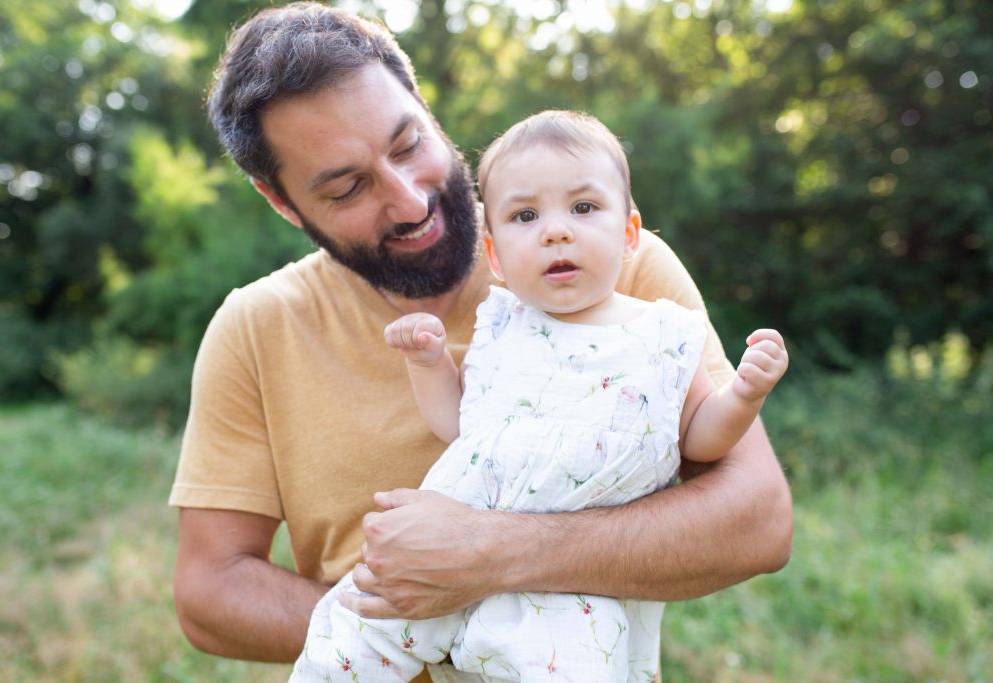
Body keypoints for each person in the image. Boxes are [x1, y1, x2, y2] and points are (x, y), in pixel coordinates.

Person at [169, 3, 793, 682]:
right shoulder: (255, 327)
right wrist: (400, 622)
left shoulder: (615, 274)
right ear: (282, 202)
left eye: (408, 144)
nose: (409, 201)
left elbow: (757, 520)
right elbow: (209, 591)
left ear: (428, 110)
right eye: (348, 186)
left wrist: (490, 558)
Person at [289, 110, 789, 682]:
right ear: (496, 256)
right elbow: (459, 426)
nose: (556, 230)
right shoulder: (502, 326)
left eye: (583, 208)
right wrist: (428, 363)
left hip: (574, 591)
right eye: (525, 215)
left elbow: (698, 433)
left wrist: (743, 394)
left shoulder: (665, 334)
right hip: (442, 545)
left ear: (629, 234)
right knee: (352, 641)